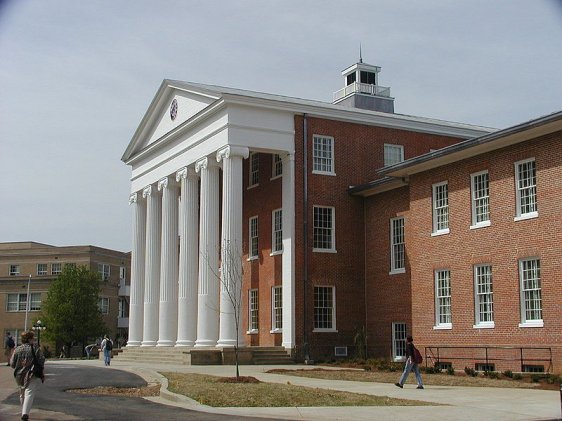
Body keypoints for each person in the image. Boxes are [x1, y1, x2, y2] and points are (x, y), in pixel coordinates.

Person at [10, 331, 45, 421]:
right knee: (29, 392)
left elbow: (12, 363)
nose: (34, 340)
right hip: (31, 373)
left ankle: (24, 410)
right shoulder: (35, 348)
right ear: (29, 339)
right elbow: (41, 359)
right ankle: (25, 413)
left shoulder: (17, 349)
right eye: (33, 338)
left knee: (22, 392)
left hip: (19, 374)